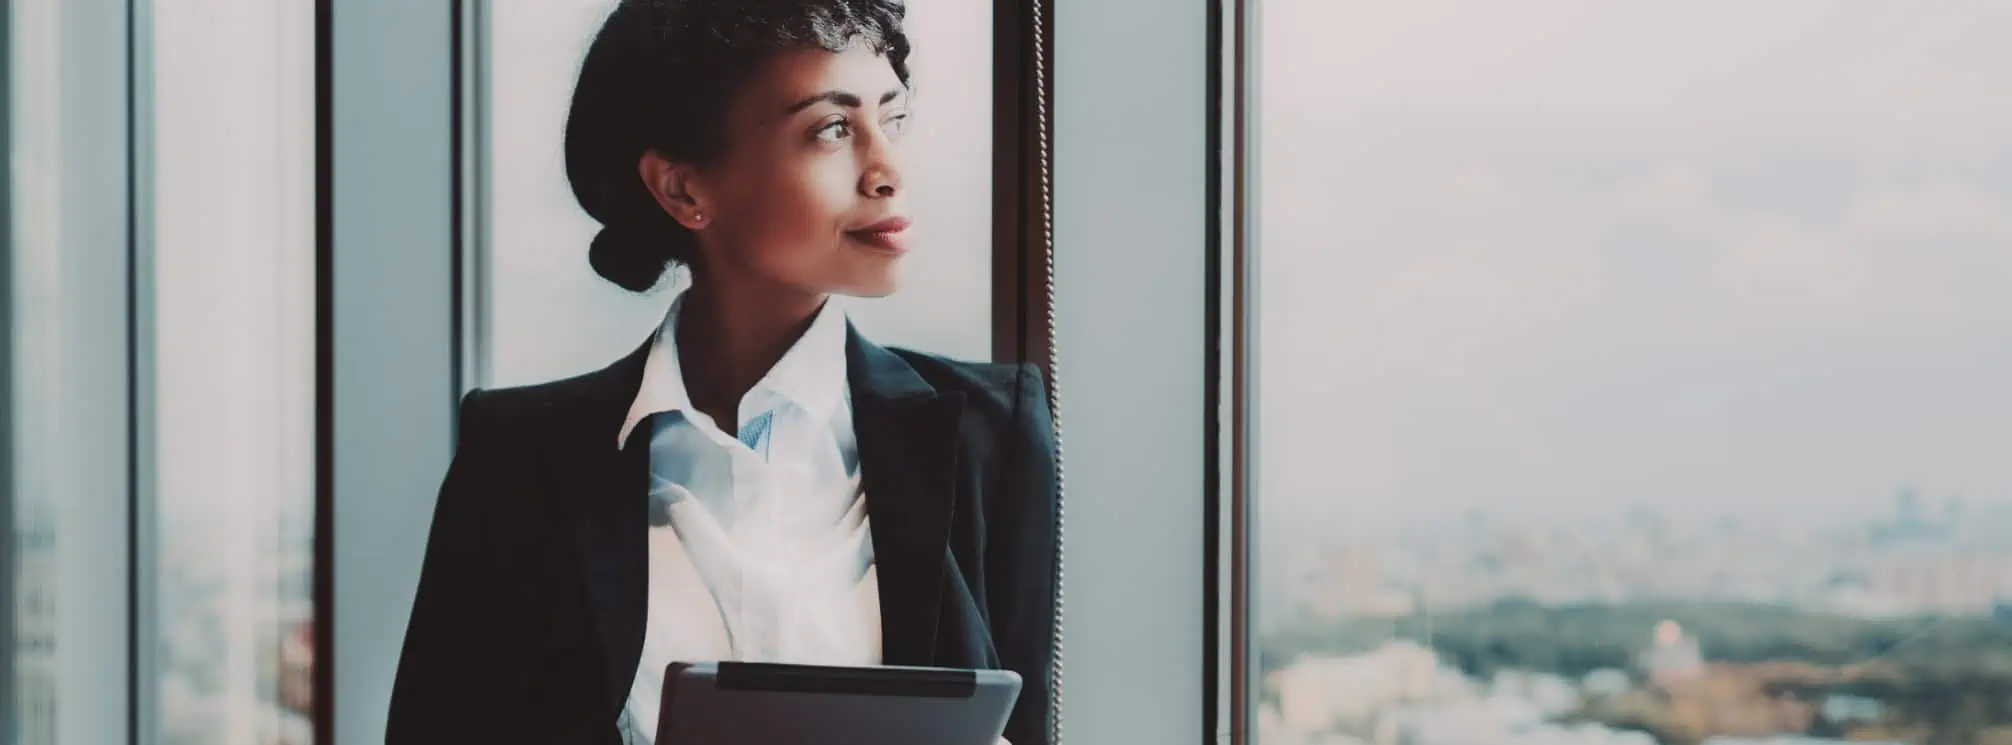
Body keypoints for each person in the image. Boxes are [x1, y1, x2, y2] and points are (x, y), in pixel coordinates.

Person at [384, 1, 1059, 743]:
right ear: (683, 191)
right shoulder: (520, 458)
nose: (887, 170)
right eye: (832, 129)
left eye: (889, 119)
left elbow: (1026, 724)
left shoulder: (991, 432)